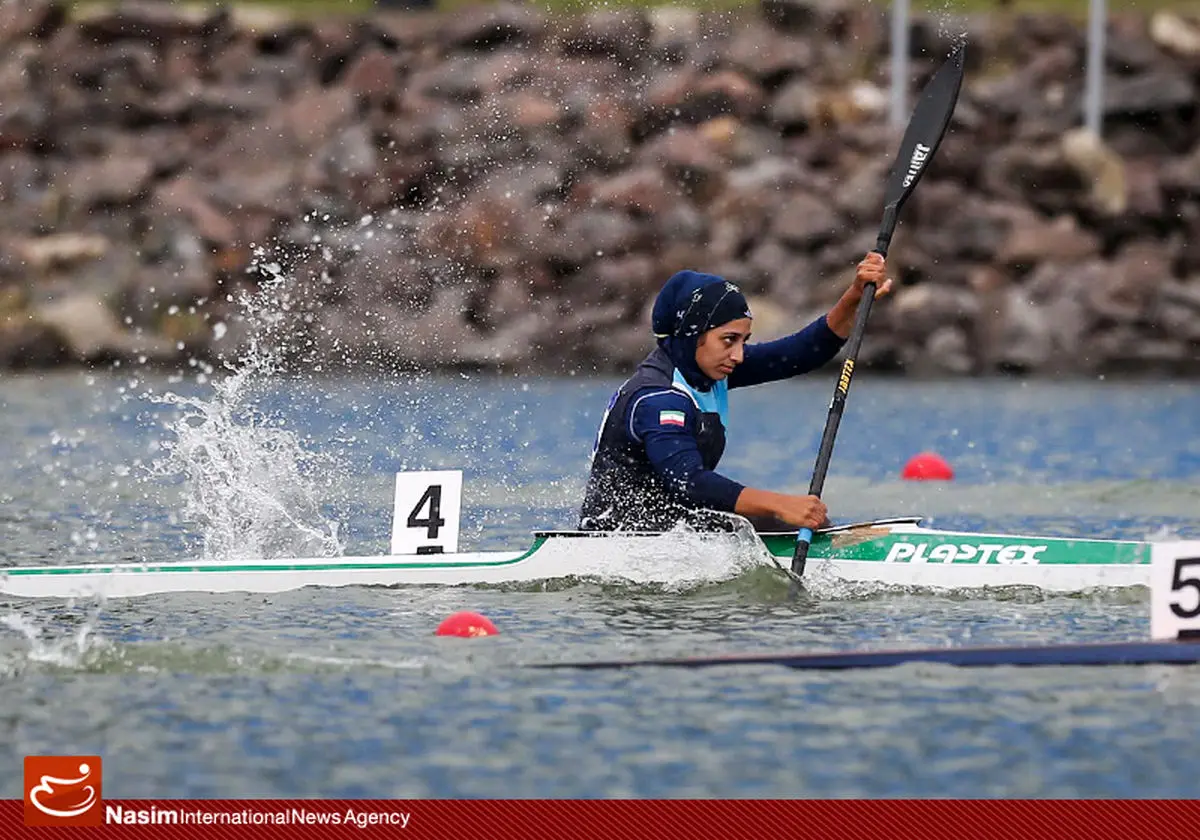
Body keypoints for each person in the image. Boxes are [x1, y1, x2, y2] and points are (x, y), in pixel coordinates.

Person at [578, 252, 892, 533]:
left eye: (743, 340)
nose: (739, 355)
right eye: (729, 340)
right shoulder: (660, 399)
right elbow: (689, 481)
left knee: (801, 522)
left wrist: (853, 296)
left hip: (677, 527)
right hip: (622, 537)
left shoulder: (707, 367)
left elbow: (801, 353)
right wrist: (780, 503)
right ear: (691, 335)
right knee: (784, 517)